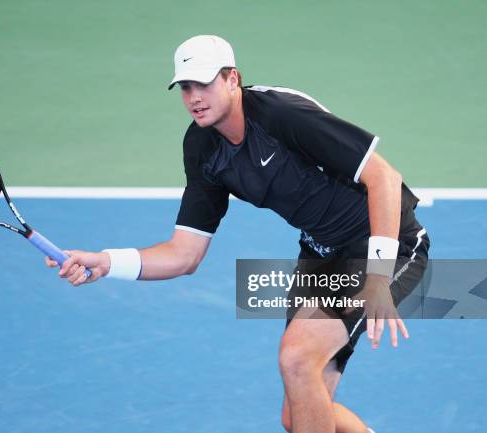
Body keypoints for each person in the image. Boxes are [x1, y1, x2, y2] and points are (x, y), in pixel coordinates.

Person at [46, 35, 430, 433]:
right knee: (299, 409)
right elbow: (184, 254)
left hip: (387, 242)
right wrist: (107, 262)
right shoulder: (202, 148)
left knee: (297, 359)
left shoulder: (282, 114)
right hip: (321, 253)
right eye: (185, 87)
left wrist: (379, 277)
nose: (194, 96)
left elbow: (384, 177)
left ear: (233, 79)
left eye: (204, 83)